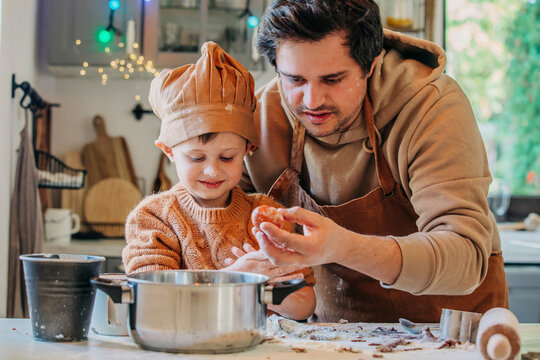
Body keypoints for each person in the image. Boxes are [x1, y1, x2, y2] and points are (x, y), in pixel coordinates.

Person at [238, 0, 508, 323]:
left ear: (370, 64)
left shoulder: (430, 107)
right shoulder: (259, 120)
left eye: (333, 79)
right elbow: (218, 229)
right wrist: (253, 282)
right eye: (295, 80)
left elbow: (465, 257)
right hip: (335, 344)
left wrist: (343, 247)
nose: (312, 101)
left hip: (454, 337)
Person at [122, 41, 316, 321]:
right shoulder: (153, 218)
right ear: (169, 151)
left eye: (227, 158)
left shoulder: (265, 215)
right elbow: (152, 302)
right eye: (197, 158)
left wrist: (267, 285)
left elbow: (305, 303)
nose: (212, 171)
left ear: (248, 150)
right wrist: (237, 281)